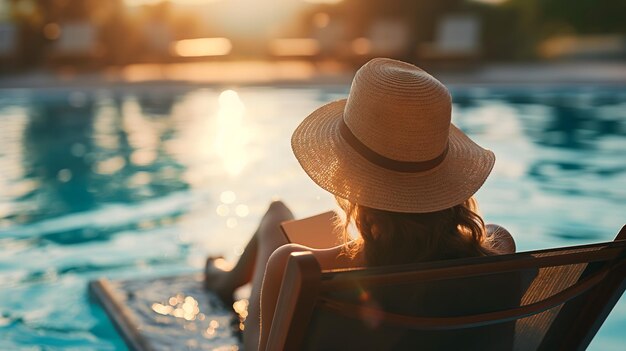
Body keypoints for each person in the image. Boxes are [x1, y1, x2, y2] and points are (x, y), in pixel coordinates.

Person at [205, 58, 515, 351]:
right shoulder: (500, 246)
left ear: (352, 176)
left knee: (277, 216)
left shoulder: (293, 265)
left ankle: (222, 281)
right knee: (318, 225)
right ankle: (223, 279)